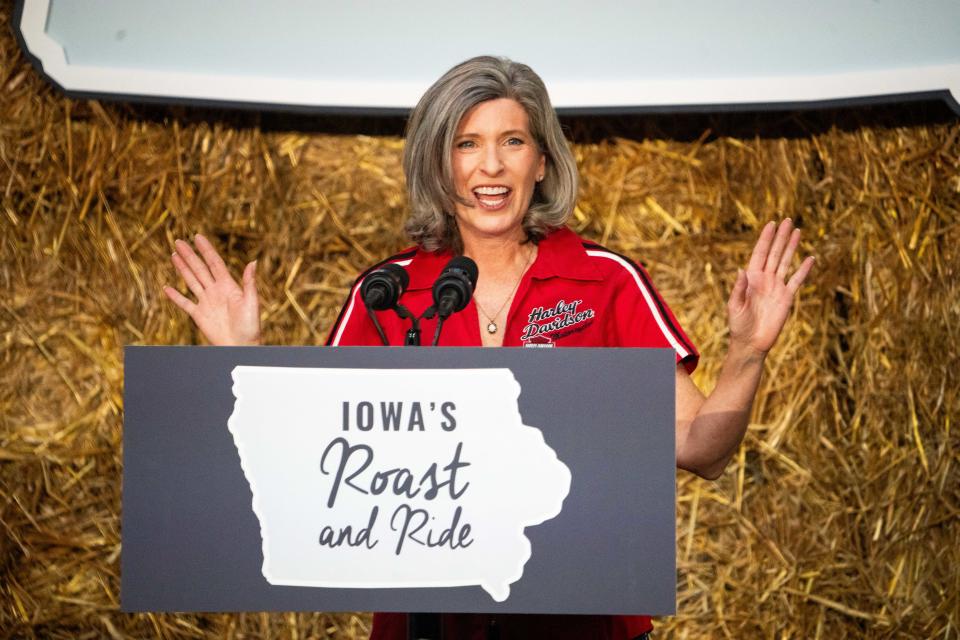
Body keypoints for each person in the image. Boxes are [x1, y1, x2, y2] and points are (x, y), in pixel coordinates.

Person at [165, 56, 814, 640]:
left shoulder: (606, 280)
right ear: (437, 162)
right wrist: (239, 363)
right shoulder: (386, 292)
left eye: (512, 141)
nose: (492, 165)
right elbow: (309, 472)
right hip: (427, 624)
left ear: (542, 161)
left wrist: (749, 350)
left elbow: (700, 447)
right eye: (466, 144)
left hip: (583, 625)